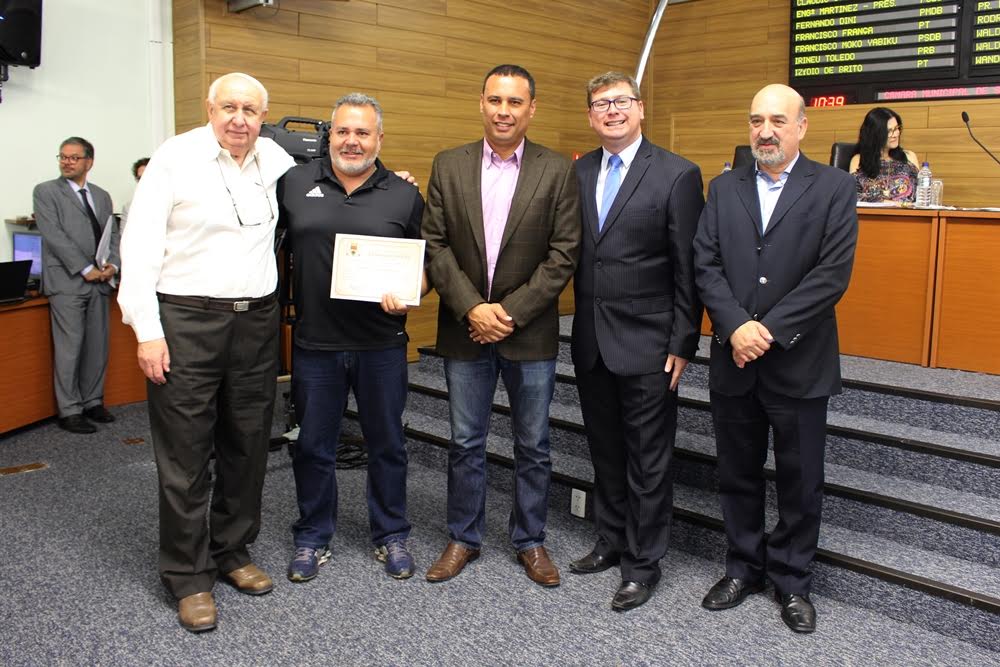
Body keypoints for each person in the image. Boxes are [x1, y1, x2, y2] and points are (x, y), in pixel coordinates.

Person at [118, 72, 296, 632]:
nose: (239, 119)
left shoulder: (275, 159)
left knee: (248, 445)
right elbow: (139, 245)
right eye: (229, 107)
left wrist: (394, 182)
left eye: (250, 109)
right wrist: (146, 329)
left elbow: (326, 196)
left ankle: (233, 553)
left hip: (256, 322)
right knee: (186, 454)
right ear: (209, 108)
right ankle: (189, 576)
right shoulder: (175, 157)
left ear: (263, 115)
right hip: (187, 320)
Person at [693, 84, 858, 633]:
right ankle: (742, 568)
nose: (765, 131)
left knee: (800, 479)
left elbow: (832, 274)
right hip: (734, 360)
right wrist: (736, 326)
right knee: (736, 475)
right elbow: (705, 265)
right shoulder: (722, 188)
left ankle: (792, 581)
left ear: (802, 127)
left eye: (777, 121)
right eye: (756, 120)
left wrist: (768, 330)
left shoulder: (834, 186)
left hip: (799, 363)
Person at [421, 64, 581, 587]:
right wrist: (473, 308)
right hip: (464, 328)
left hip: (528, 332)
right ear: (481, 104)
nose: (504, 111)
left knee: (532, 444)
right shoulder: (448, 165)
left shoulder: (557, 171)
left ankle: (530, 541)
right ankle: (463, 537)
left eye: (515, 102)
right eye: (495, 100)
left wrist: (508, 313)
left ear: (531, 108)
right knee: (466, 440)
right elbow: (436, 245)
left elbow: (563, 254)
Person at [568, 72, 704, 611]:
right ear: (590, 115)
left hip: (651, 343)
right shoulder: (577, 171)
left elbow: (688, 269)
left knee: (648, 458)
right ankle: (612, 538)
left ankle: (643, 563)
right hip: (591, 339)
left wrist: (683, 341)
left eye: (621, 102)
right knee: (605, 450)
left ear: (640, 109)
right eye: (601, 104)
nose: (612, 111)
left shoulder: (677, 174)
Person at [277, 93, 425, 583]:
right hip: (315, 344)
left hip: (382, 345)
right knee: (314, 445)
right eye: (343, 131)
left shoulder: (404, 194)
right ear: (329, 136)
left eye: (363, 133)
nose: (352, 141)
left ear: (379, 139)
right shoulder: (295, 184)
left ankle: (391, 535)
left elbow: (428, 265)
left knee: (387, 444)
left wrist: (410, 292)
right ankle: (313, 536)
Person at [33, 137, 119, 434]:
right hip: (68, 281)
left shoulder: (102, 195)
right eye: (63, 157)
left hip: (101, 281)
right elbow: (53, 235)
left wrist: (113, 265)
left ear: (88, 162)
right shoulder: (46, 192)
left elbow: (113, 234)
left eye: (73, 157)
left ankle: (93, 402)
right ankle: (69, 410)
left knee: (97, 346)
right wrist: (85, 269)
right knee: (70, 348)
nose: (66, 162)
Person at [849, 107, 919, 203]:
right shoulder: (858, 160)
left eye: (897, 128)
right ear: (874, 134)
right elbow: (853, 196)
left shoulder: (909, 157)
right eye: (889, 131)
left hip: (908, 216)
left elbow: (921, 194)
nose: (895, 134)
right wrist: (884, 202)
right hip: (872, 216)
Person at [121, 157, 150, 227]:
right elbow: (125, 236)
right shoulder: (129, 208)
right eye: (140, 178)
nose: (143, 181)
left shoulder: (174, 203)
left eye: (147, 176)